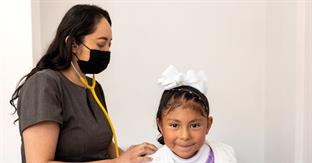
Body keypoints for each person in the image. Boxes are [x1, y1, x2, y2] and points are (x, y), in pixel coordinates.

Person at [10, 4, 156, 163]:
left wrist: (142, 156)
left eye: (109, 44)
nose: (106, 51)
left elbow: (104, 149)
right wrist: (118, 162)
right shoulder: (44, 84)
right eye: (101, 44)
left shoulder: (94, 88)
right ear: (73, 44)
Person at [151, 65, 237, 163]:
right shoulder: (154, 160)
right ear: (160, 125)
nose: (185, 136)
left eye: (194, 125)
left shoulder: (224, 155)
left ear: (208, 125)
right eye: (174, 125)